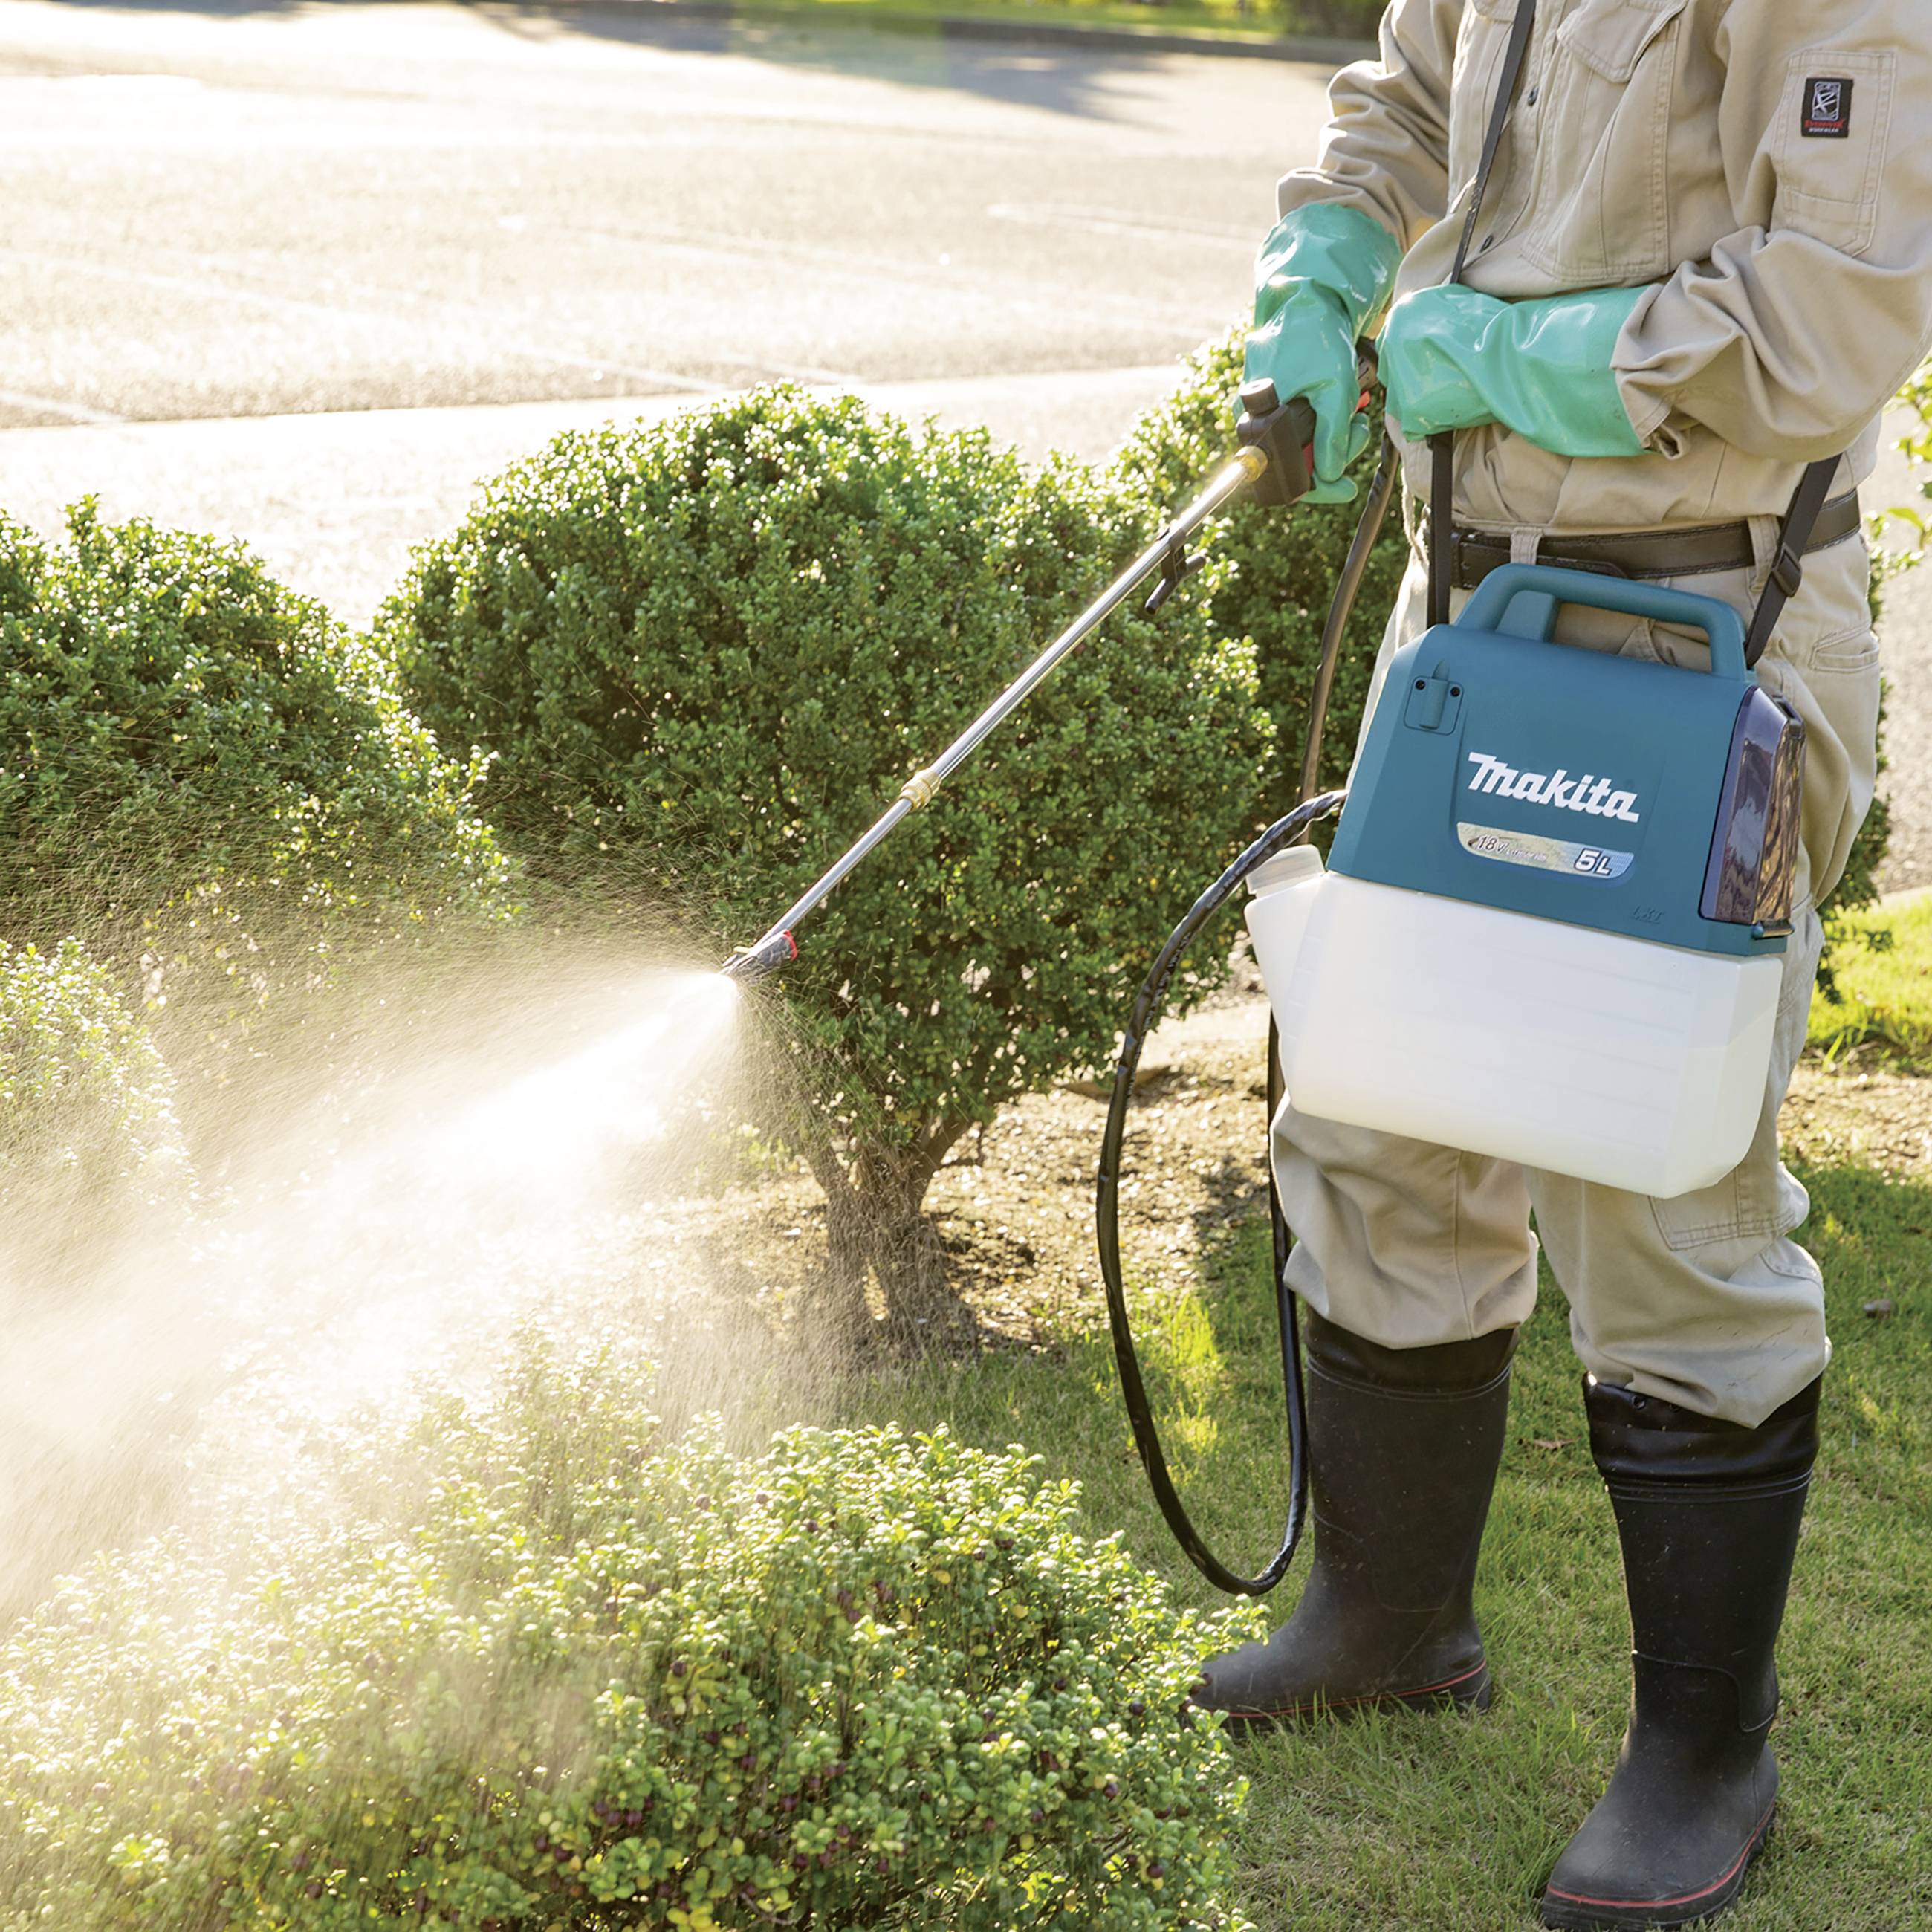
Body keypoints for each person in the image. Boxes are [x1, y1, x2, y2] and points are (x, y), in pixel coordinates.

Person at [1194, 5, 1932, 1927]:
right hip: (1471, 611)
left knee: (1650, 1179)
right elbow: (1411, 98)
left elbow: (1835, 312)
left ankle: (1704, 1755)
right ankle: (1387, 1616)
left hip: (1705, 629)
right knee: (1374, 1119)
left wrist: (1510, 360)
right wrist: (1327, 268)